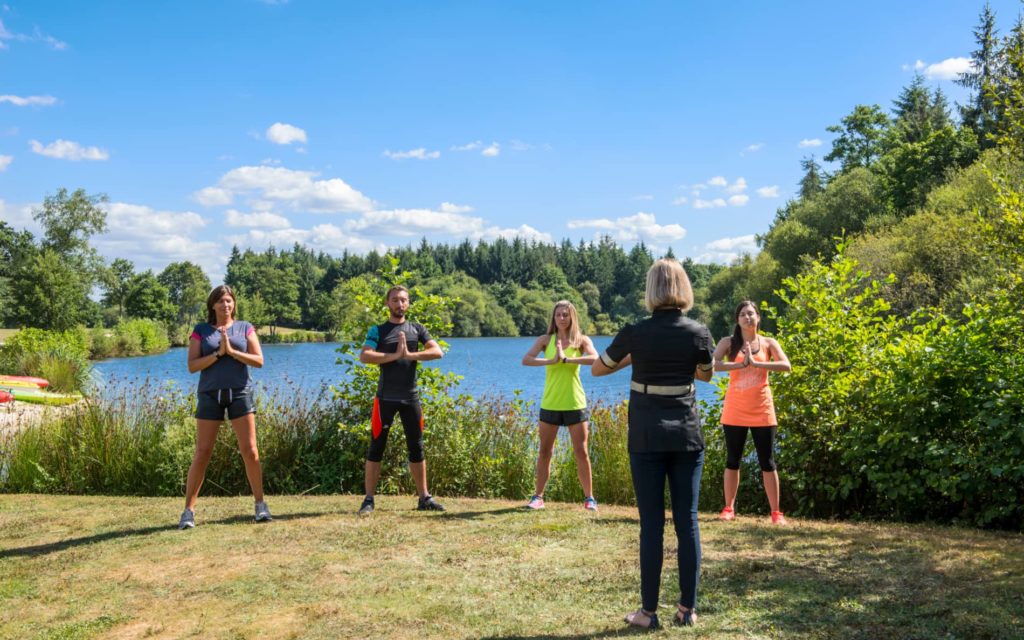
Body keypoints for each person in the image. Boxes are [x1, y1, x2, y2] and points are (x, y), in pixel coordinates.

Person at [592, 258, 714, 629]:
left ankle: (647, 613)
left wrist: (636, 357)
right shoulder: (699, 332)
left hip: (646, 435)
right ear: (684, 288)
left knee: (651, 524)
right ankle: (687, 610)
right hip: (686, 434)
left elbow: (599, 368)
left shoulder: (635, 332)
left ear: (650, 289)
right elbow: (706, 375)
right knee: (687, 520)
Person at [179, 285, 270, 529]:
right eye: (220, 301)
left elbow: (259, 360)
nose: (225, 305)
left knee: (250, 450)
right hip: (210, 395)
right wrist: (218, 354)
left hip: (240, 393)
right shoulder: (201, 331)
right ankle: (188, 512)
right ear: (212, 305)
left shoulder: (245, 328)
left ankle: (261, 505)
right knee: (202, 452)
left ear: (234, 304)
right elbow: (192, 365)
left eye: (229, 301)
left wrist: (231, 351)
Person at [356, 285, 446, 515]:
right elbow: (365, 355)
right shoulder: (378, 330)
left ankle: (424, 497)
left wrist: (410, 355)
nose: (399, 304)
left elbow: (437, 352)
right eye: (395, 300)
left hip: (410, 398)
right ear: (387, 303)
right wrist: (394, 356)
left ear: (409, 303)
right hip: (385, 398)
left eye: (403, 300)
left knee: (417, 448)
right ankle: (368, 500)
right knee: (376, 447)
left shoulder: (417, 329)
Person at [713, 300, 792, 525]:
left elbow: (786, 365)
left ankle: (776, 513)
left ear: (758, 317)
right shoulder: (728, 343)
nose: (748, 318)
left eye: (751, 314)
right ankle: (728, 508)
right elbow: (712, 364)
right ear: (737, 320)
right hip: (735, 409)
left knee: (768, 461)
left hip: (762, 409)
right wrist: (739, 365)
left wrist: (757, 364)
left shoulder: (768, 343)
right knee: (732, 460)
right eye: (743, 315)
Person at [520, 300, 600, 511]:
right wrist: (551, 361)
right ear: (553, 318)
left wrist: (566, 360)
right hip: (551, 403)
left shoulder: (581, 340)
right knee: (545, 451)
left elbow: (596, 359)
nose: (562, 318)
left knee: (581, 451)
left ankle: (589, 498)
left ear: (572, 317)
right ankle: (538, 497)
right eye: (558, 315)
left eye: (565, 314)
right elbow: (526, 360)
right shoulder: (545, 340)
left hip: (575, 402)